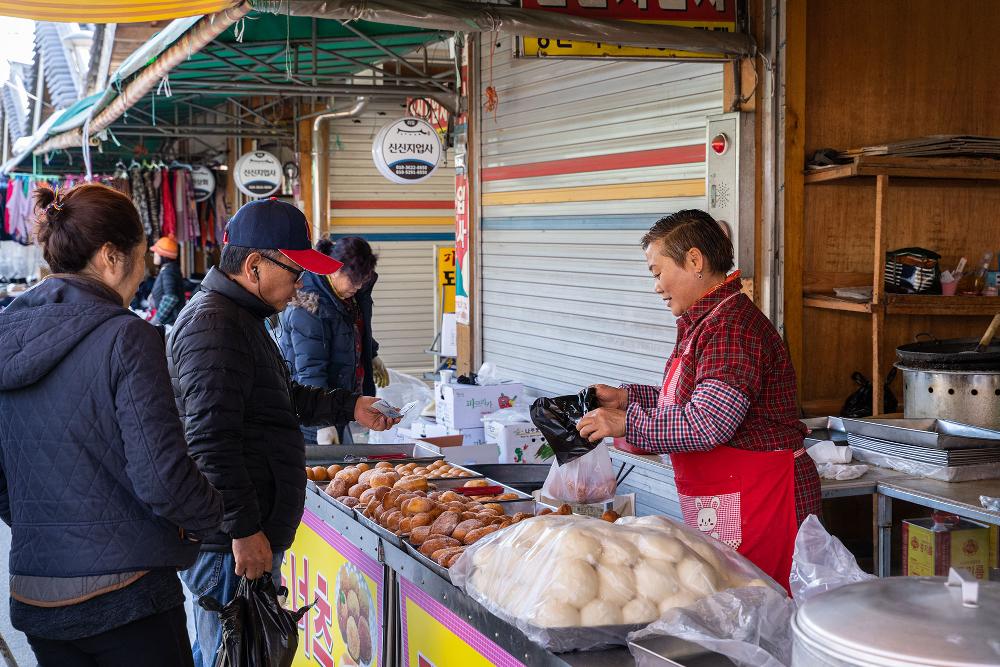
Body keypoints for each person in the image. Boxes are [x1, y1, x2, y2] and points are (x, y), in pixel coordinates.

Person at [166, 198, 398, 667]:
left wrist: (349, 405)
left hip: (238, 538)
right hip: (227, 546)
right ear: (254, 265)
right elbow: (211, 441)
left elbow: (281, 397)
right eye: (295, 272)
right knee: (228, 656)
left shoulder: (242, 319)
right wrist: (244, 529)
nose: (299, 286)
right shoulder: (215, 326)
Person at [0, 183, 223, 666]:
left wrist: (53, 527)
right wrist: (216, 519)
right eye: (141, 258)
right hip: (127, 595)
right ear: (110, 256)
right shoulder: (127, 336)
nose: (142, 274)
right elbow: (162, 476)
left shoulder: (6, 335)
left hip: (37, 595)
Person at [576, 209, 821, 592]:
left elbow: (707, 422)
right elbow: (691, 399)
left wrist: (626, 423)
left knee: (766, 606)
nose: (656, 287)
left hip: (762, 500)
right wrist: (626, 398)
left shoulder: (730, 327)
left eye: (658, 272)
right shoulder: (706, 322)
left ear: (694, 260)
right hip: (733, 497)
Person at [279, 236, 389, 445]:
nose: (358, 286)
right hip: (311, 416)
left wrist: (371, 354)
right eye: (354, 280)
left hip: (339, 404)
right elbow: (310, 368)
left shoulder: (348, 294)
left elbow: (354, 329)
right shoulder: (308, 305)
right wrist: (322, 424)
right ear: (335, 270)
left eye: (363, 280)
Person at [149, 235, 185, 326]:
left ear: (163, 255)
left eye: (156, 252)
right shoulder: (168, 269)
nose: (154, 255)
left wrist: (156, 320)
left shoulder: (168, 271)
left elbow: (170, 298)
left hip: (170, 323)